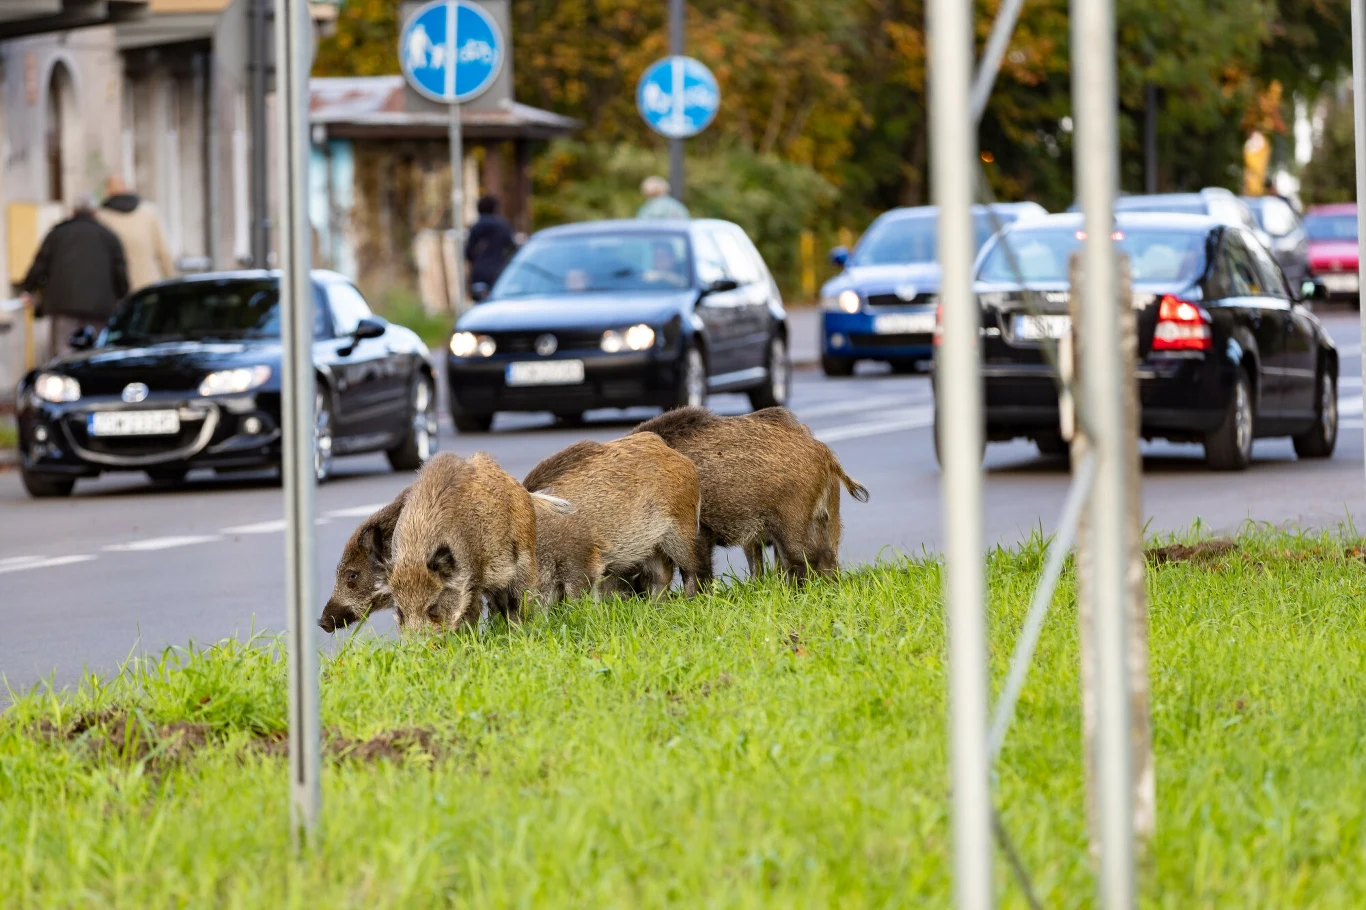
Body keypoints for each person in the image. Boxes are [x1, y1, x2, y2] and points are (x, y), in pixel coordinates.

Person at [21, 195, 129, 359]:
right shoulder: (109, 236)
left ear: (73, 211)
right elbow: (120, 271)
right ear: (95, 212)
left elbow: (40, 264)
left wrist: (28, 288)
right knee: (96, 351)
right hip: (99, 306)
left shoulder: (57, 234)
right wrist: (123, 295)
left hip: (64, 305)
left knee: (63, 353)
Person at [96, 175, 175, 292]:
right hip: (149, 285)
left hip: (118, 290)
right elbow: (163, 252)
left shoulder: (101, 217)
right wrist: (171, 278)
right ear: (128, 188)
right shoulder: (150, 212)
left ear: (107, 191)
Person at [464, 195, 518, 292]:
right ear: (495, 209)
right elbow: (512, 248)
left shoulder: (476, 227)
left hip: (479, 273)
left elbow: (468, 253)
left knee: (480, 297)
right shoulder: (503, 226)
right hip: (499, 272)